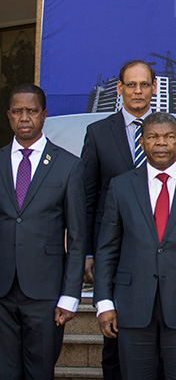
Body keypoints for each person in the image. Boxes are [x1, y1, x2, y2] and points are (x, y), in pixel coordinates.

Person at [94, 112, 176, 380]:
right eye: (153, 137)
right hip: (132, 307)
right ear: (142, 143)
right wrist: (104, 302)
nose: (161, 143)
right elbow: (107, 249)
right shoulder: (121, 186)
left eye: (168, 137)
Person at [81, 59, 176, 380]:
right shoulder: (98, 133)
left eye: (144, 84)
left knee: (160, 345)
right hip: (115, 256)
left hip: (165, 259)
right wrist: (89, 252)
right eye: (131, 84)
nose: (138, 91)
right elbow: (88, 199)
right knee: (116, 343)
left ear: (154, 88)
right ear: (119, 89)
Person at [0, 83, 86, 379]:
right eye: (18, 111)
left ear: (44, 114)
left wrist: (69, 296)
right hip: (2, 292)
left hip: (47, 293)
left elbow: (77, 237)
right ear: (8, 115)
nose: (25, 118)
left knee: (40, 372)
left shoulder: (68, 166)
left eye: (32, 111)